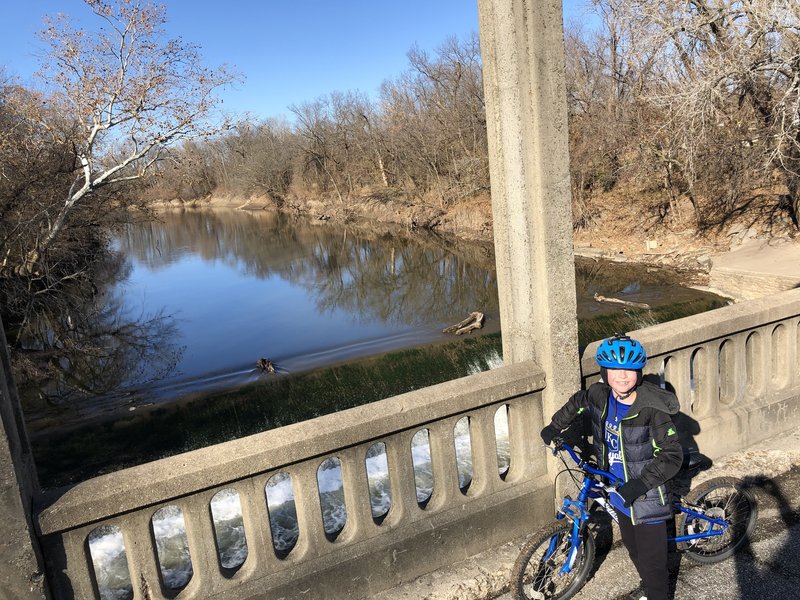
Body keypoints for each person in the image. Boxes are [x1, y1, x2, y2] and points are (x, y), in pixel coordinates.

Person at [540, 334, 682, 600]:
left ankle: (657, 593)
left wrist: (639, 485)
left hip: (646, 493)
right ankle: (652, 589)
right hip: (616, 488)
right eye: (615, 370)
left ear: (638, 373)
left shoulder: (652, 410)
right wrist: (554, 426)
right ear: (605, 373)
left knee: (653, 563)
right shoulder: (599, 395)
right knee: (633, 548)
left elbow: (672, 455)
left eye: (629, 370)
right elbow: (577, 402)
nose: (623, 376)